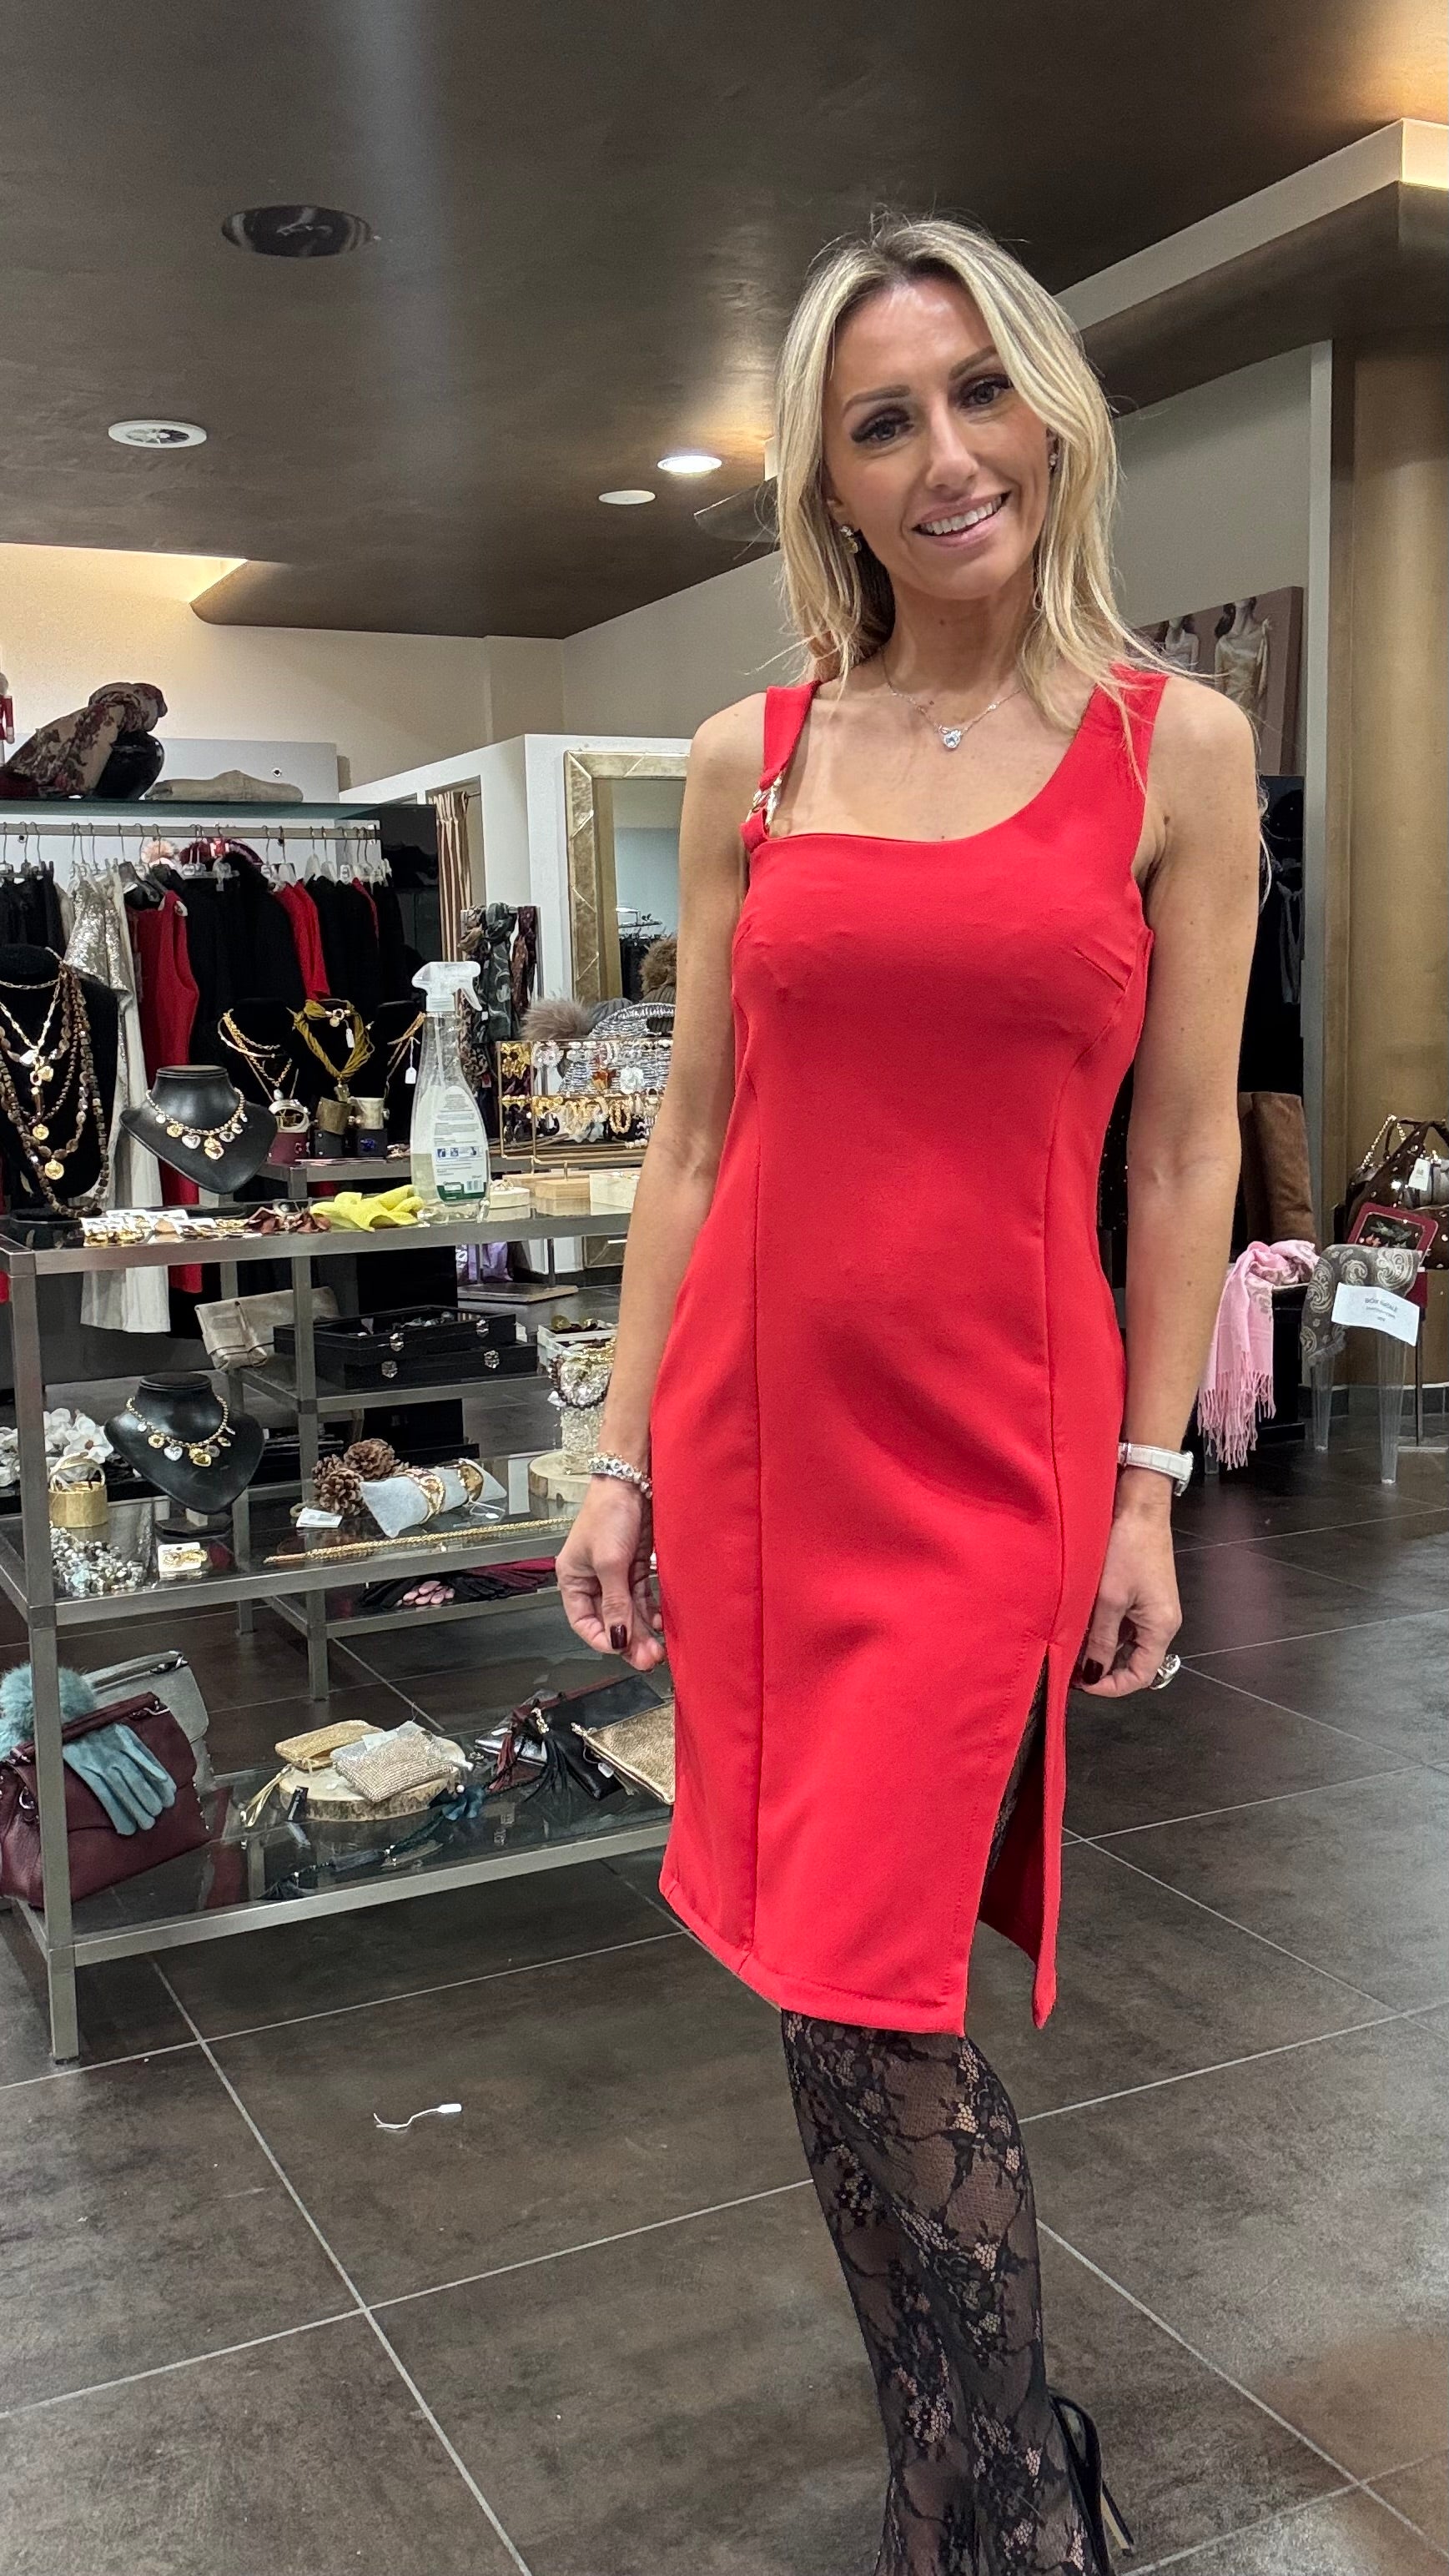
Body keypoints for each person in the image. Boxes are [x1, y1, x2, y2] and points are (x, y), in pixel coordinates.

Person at [556, 212, 1258, 2574]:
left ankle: (999, 2500)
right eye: (882, 421)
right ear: (827, 483)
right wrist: (621, 1456)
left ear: (1051, 411)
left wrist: (1148, 1485)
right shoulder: (751, 760)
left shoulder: (1177, 752)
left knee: (872, 1981)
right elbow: (689, 1142)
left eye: (978, 392)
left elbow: (1181, 1152)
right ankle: (976, 2479)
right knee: (827, 1976)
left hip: (993, 1458)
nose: (947, 455)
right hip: (764, 1448)